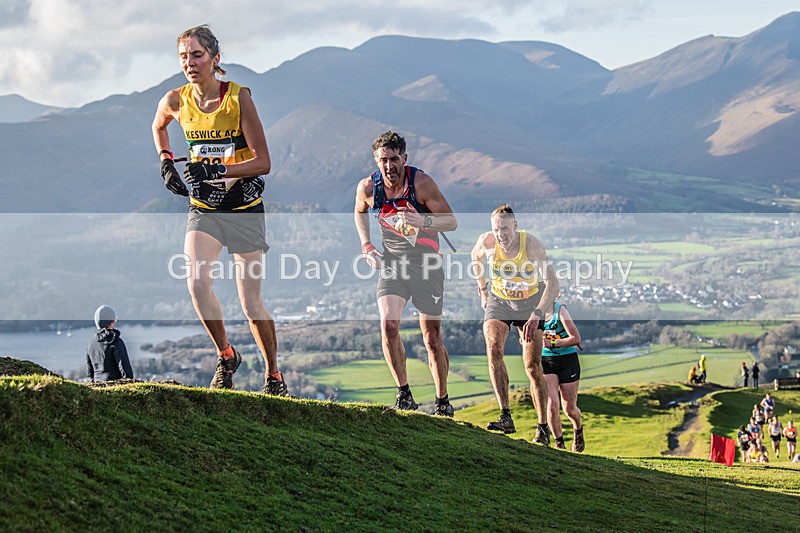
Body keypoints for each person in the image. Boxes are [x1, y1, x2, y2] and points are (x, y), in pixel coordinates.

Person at [152, 25, 286, 394]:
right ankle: (226, 355)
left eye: (197, 55)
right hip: (205, 209)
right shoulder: (176, 100)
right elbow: (158, 125)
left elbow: (263, 162)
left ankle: (273, 375)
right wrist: (166, 161)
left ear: (215, 59)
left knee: (250, 302)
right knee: (196, 284)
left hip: (244, 209)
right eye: (183, 56)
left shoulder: (238, 98)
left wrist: (215, 169)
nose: (190, 63)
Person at [353, 131, 458, 416]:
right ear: (376, 161)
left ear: (405, 158)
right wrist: (365, 244)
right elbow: (359, 210)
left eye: (394, 159)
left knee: (431, 337)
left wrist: (422, 219)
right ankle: (404, 394)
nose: (389, 166)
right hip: (393, 263)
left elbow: (451, 222)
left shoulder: (421, 183)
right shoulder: (368, 187)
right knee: (388, 325)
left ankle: (442, 400)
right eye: (383, 160)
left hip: (427, 264)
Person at [470, 204, 560, 445]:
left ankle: (542, 429)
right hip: (499, 301)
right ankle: (505, 415)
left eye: (506, 229)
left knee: (532, 367)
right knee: (493, 347)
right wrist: (482, 289)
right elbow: (475, 258)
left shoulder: (531, 245)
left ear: (516, 227)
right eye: (497, 229)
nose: (501, 235)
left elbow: (553, 285)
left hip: (530, 304)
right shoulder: (486, 242)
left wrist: (537, 313)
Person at [540, 301, 584, 452]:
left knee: (569, 409)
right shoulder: (532, 313)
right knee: (552, 405)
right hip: (545, 362)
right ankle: (560, 445)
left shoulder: (560, 311)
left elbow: (576, 338)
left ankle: (578, 428)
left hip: (567, 360)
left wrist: (551, 343)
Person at [86, 305, 134, 382]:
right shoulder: (115, 341)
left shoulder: (91, 342)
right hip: (114, 388)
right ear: (110, 323)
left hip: (96, 388)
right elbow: (126, 372)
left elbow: (89, 371)